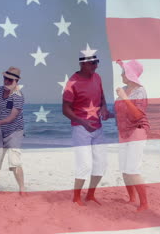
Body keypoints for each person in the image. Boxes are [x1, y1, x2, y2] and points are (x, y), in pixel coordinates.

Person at [62, 52, 110, 206]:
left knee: (101, 164)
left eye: (97, 62)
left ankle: (90, 195)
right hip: (80, 129)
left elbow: (102, 97)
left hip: (98, 128)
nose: (96, 66)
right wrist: (82, 122)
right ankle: (76, 197)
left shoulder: (97, 77)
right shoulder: (72, 82)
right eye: (92, 63)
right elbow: (65, 109)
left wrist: (104, 108)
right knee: (85, 165)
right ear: (82, 64)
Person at [114, 60, 149, 211]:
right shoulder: (123, 89)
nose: (121, 74)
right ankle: (132, 198)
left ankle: (144, 203)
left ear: (130, 74)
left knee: (132, 169)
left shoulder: (140, 91)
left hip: (137, 130)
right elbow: (119, 112)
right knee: (124, 169)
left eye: (124, 72)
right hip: (123, 132)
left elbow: (136, 115)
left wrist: (124, 97)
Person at [0, 66, 26, 194]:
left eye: (10, 80)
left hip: (14, 131)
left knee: (14, 162)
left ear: (16, 82)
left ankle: (22, 189)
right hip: (0, 131)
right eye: (5, 79)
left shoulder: (18, 96)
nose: (7, 82)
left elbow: (12, 117)